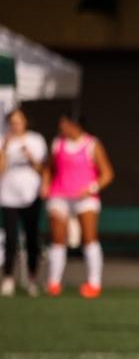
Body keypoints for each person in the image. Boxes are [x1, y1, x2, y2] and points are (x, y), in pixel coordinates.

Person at [43, 110, 114, 298]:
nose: (61, 127)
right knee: (58, 239)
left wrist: (91, 188)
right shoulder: (57, 144)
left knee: (89, 238)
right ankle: (53, 282)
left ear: (75, 125)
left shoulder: (92, 144)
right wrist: (45, 184)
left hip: (85, 199)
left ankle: (94, 283)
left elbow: (107, 174)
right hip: (59, 196)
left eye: (64, 123)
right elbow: (49, 169)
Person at [0, 108, 46, 296]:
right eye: (12, 122)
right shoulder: (4, 140)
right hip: (8, 196)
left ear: (26, 122)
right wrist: (4, 149)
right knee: (11, 239)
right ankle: (9, 277)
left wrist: (30, 156)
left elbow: (42, 168)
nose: (15, 126)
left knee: (31, 237)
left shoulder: (36, 140)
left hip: (31, 195)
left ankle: (31, 279)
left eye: (19, 121)